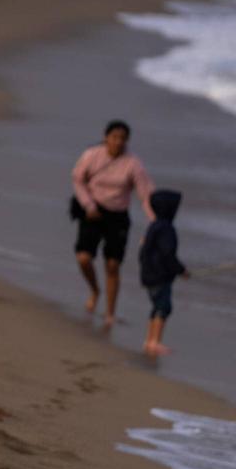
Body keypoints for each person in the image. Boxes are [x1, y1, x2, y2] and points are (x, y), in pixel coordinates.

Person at [70, 119, 155, 325]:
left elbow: (146, 195)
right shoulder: (92, 155)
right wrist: (88, 204)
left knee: (113, 264)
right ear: (106, 137)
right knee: (83, 258)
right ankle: (95, 290)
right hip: (92, 210)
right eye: (114, 137)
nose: (118, 142)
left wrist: (155, 222)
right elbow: (77, 179)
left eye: (122, 139)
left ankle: (110, 313)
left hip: (117, 215)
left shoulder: (133, 164)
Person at [139, 190, 188, 356]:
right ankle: (155, 342)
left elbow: (144, 251)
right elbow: (168, 254)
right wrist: (180, 270)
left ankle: (149, 340)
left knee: (156, 306)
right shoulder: (166, 229)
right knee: (163, 307)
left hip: (149, 274)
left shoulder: (153, 226)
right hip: (159, 276)